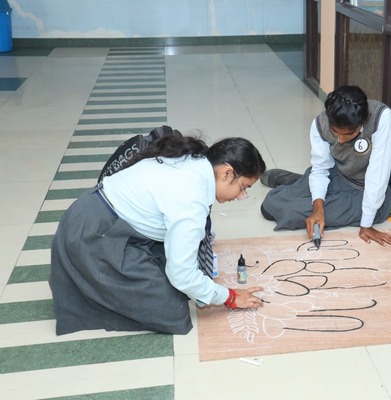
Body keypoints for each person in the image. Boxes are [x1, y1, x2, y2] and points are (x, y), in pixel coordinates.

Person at [50, 135, 266, 336]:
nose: (241, 197)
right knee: (172, 311)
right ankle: (86, 284)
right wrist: (229, 297)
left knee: (187, 280)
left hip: (94, 216)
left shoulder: (194, 159)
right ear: (227, 173)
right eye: (243, 187)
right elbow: (181, 274)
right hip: (93, 237)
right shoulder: (190, 200)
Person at [260, 85, 391, 247]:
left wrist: (366, 224)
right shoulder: (321, 123)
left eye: (348, 134)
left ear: (363, 120)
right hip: (337, 175)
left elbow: (377, 175)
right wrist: (318, 208)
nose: (340, 140)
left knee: (290, 212)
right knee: (269, 206)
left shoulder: (382, 118)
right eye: (335, 132)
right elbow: (320, 169)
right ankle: (298, 182)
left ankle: (295, 182)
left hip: (363, 190)